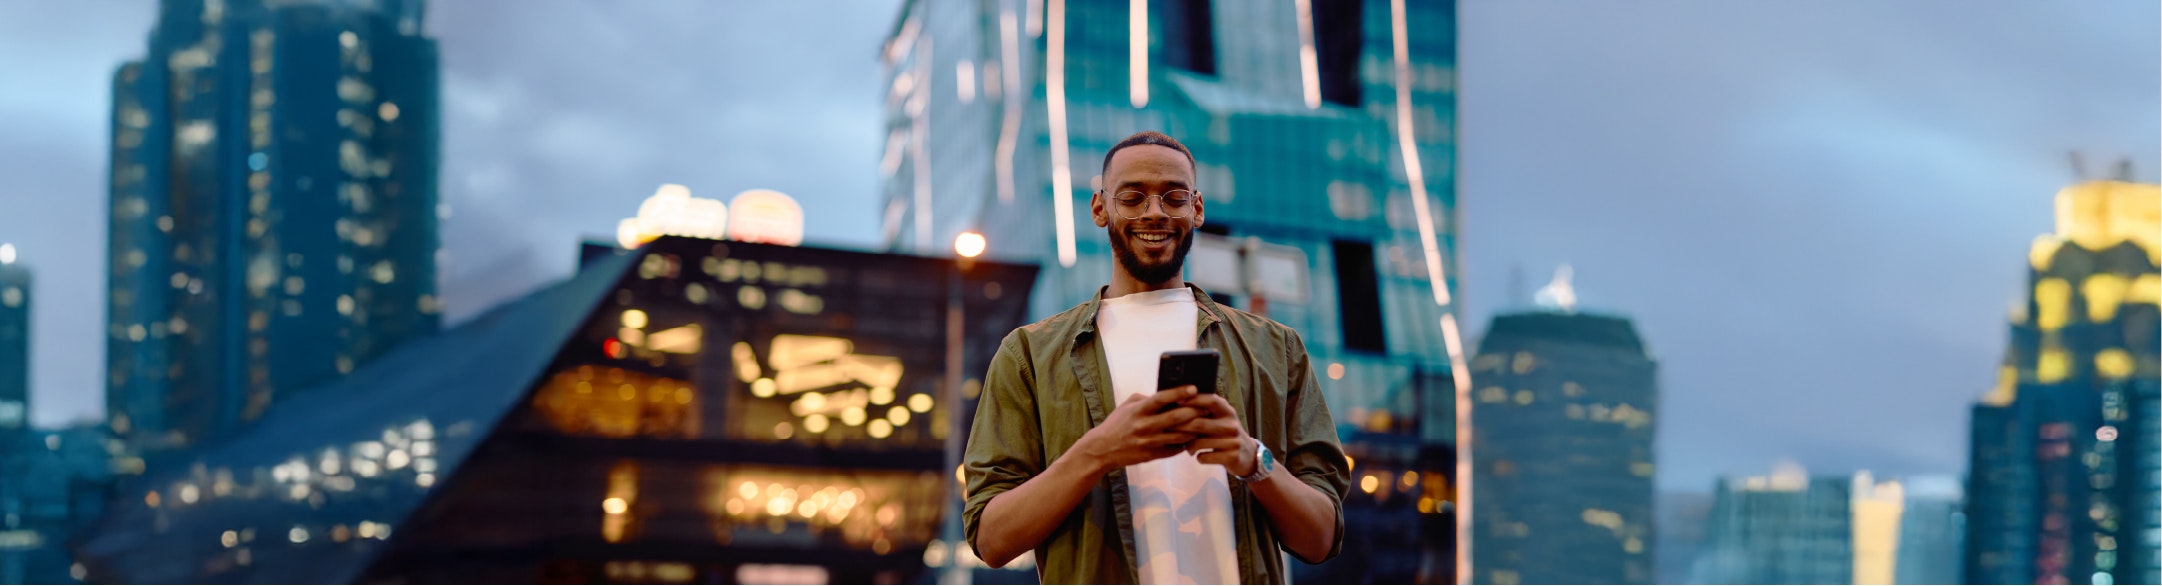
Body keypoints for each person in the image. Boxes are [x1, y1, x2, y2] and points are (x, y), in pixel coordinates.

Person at [961, 130, 1350, 584]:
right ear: (1100, 209)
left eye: (1174, 196)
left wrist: (1252, 459)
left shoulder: (1276, 348)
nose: (1154, 212)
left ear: (1197, 209)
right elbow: (991, 539)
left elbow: (1321, 538)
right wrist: (1097, 452)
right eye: (1132, 197)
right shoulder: (1029, 353)